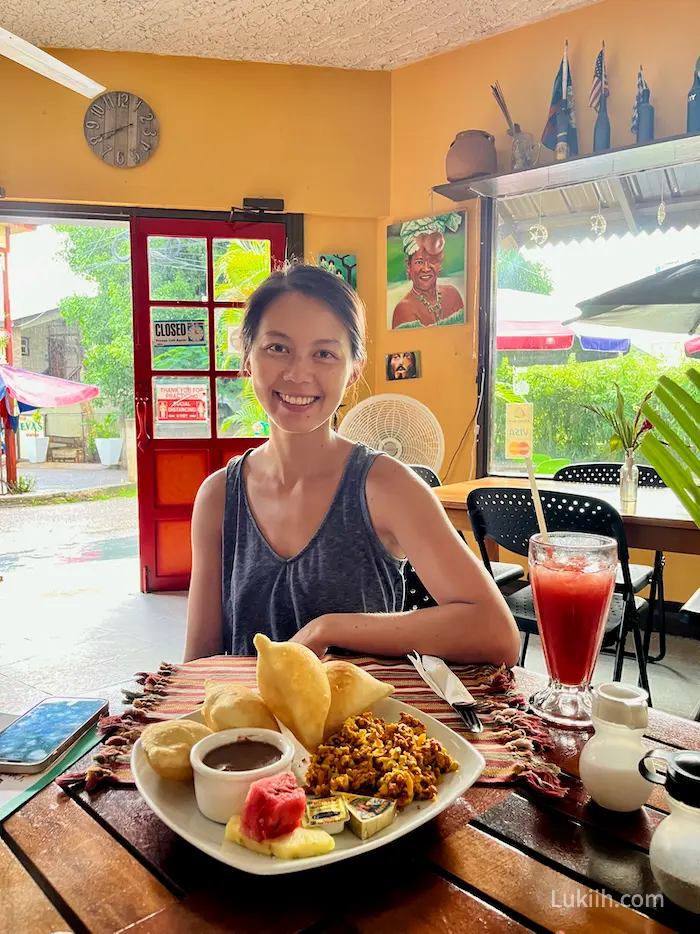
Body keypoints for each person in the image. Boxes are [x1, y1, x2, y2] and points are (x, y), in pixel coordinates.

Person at [185, 264, 519, 666]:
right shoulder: (219, 496)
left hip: (359, 728)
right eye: (277, 348)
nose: (298, 373)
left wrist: (329, 628)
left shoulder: (386, 486)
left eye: (324, 353)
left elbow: (496, 633)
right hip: (252, 729)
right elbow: (197, 665)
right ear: (248, 359)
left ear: (353, 371)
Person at [391, 214, 465, 330]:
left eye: (432, 261)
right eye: (419, 262)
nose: (426, 268)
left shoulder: (453, 294)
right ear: (408, 265)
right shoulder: (404, 310)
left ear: (440, 263)